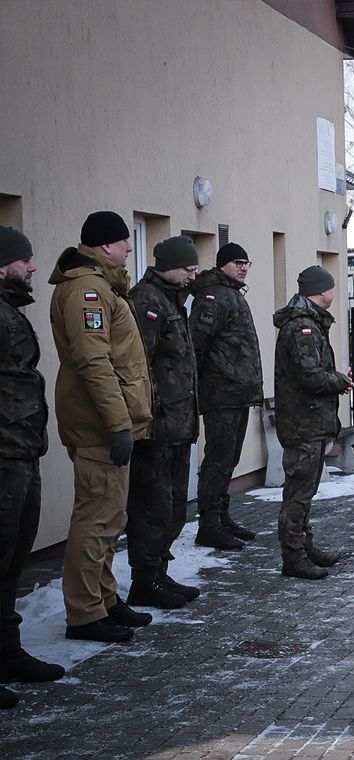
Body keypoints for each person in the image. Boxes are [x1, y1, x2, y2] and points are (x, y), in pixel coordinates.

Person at [49, 211, 153, 643]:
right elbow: (94, 362)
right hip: (98, 426)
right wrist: (118, 425)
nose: (130, 248)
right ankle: (85, 612)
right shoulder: (88, 291)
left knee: (111, 516)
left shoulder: (102, 286)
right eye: (125, 242)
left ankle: (105, 599)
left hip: (109, 422)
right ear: (106, 245)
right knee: (96, 518)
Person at [0, 227, 63, 707]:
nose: (33, 267)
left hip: (22, 450)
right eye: (26, 260)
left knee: (13, 560)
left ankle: (7, 652)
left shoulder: (9, 311)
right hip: (4, 454)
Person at [124, 236, 201, 609]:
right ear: (167, 266)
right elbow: (138, 364)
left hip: (179, 422)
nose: (193, 275)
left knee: (173, 507)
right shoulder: (147, 300)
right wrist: (147, 416)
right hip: (157, 424)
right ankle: (145, 580)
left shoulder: (173, 300)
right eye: (187, 268)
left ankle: (158, 572)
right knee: (152, 507)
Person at [273, 266, 353, 580]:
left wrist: (334, 379)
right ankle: (293, 557)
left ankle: (304, 546)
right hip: (302, 423)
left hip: (310, 421)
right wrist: (338, 381)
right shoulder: (302, 327)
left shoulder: (310, 322)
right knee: (298, 494)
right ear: (322, 291)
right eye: (332, 287)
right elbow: (309, 375)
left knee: (306, 492)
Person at [189, 241, 262, 550]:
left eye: (246, 262)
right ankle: (208, 524)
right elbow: (196, 344)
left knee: (229, 458)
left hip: (237, 392)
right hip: (221, 393)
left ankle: (222, 517)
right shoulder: (214, 297)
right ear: (223, 265)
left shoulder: (231, 293)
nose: (243, 267)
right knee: (218, 459)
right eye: (237, 262)